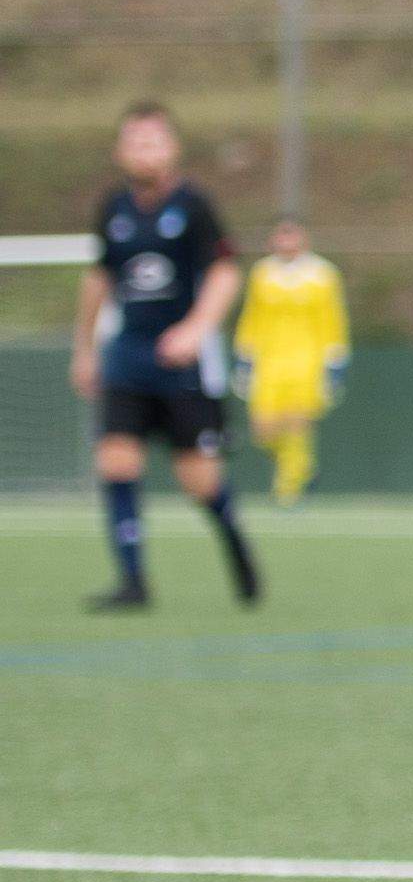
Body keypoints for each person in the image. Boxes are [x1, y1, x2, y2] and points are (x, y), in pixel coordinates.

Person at [69, 103, 259, 611]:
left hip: (180, 366)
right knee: (115, 460)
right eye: (134, 142)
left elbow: (225, 273)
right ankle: (133, 582)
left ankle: (234, 537)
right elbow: (99, 279)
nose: (143, 151)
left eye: (153, 141)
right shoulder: (113, 208)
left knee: (198, 480)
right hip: (127, 358)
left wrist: (195, 329)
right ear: (119, 151)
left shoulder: (194, 205)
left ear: (172, 149)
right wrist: (84, 348)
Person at [234, 217, 351, 506]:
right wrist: (245, 357)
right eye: (281, 237)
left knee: (298, 425)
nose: (286, 243)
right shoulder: (262, 274)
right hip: (269, 361)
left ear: (304, 239)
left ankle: (289, 489)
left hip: (307, 361)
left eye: (292, 236)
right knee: (264, 431)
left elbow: (333, 319)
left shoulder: (322, 274)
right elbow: (252, 317)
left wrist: (335, 361)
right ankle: (303, 468)